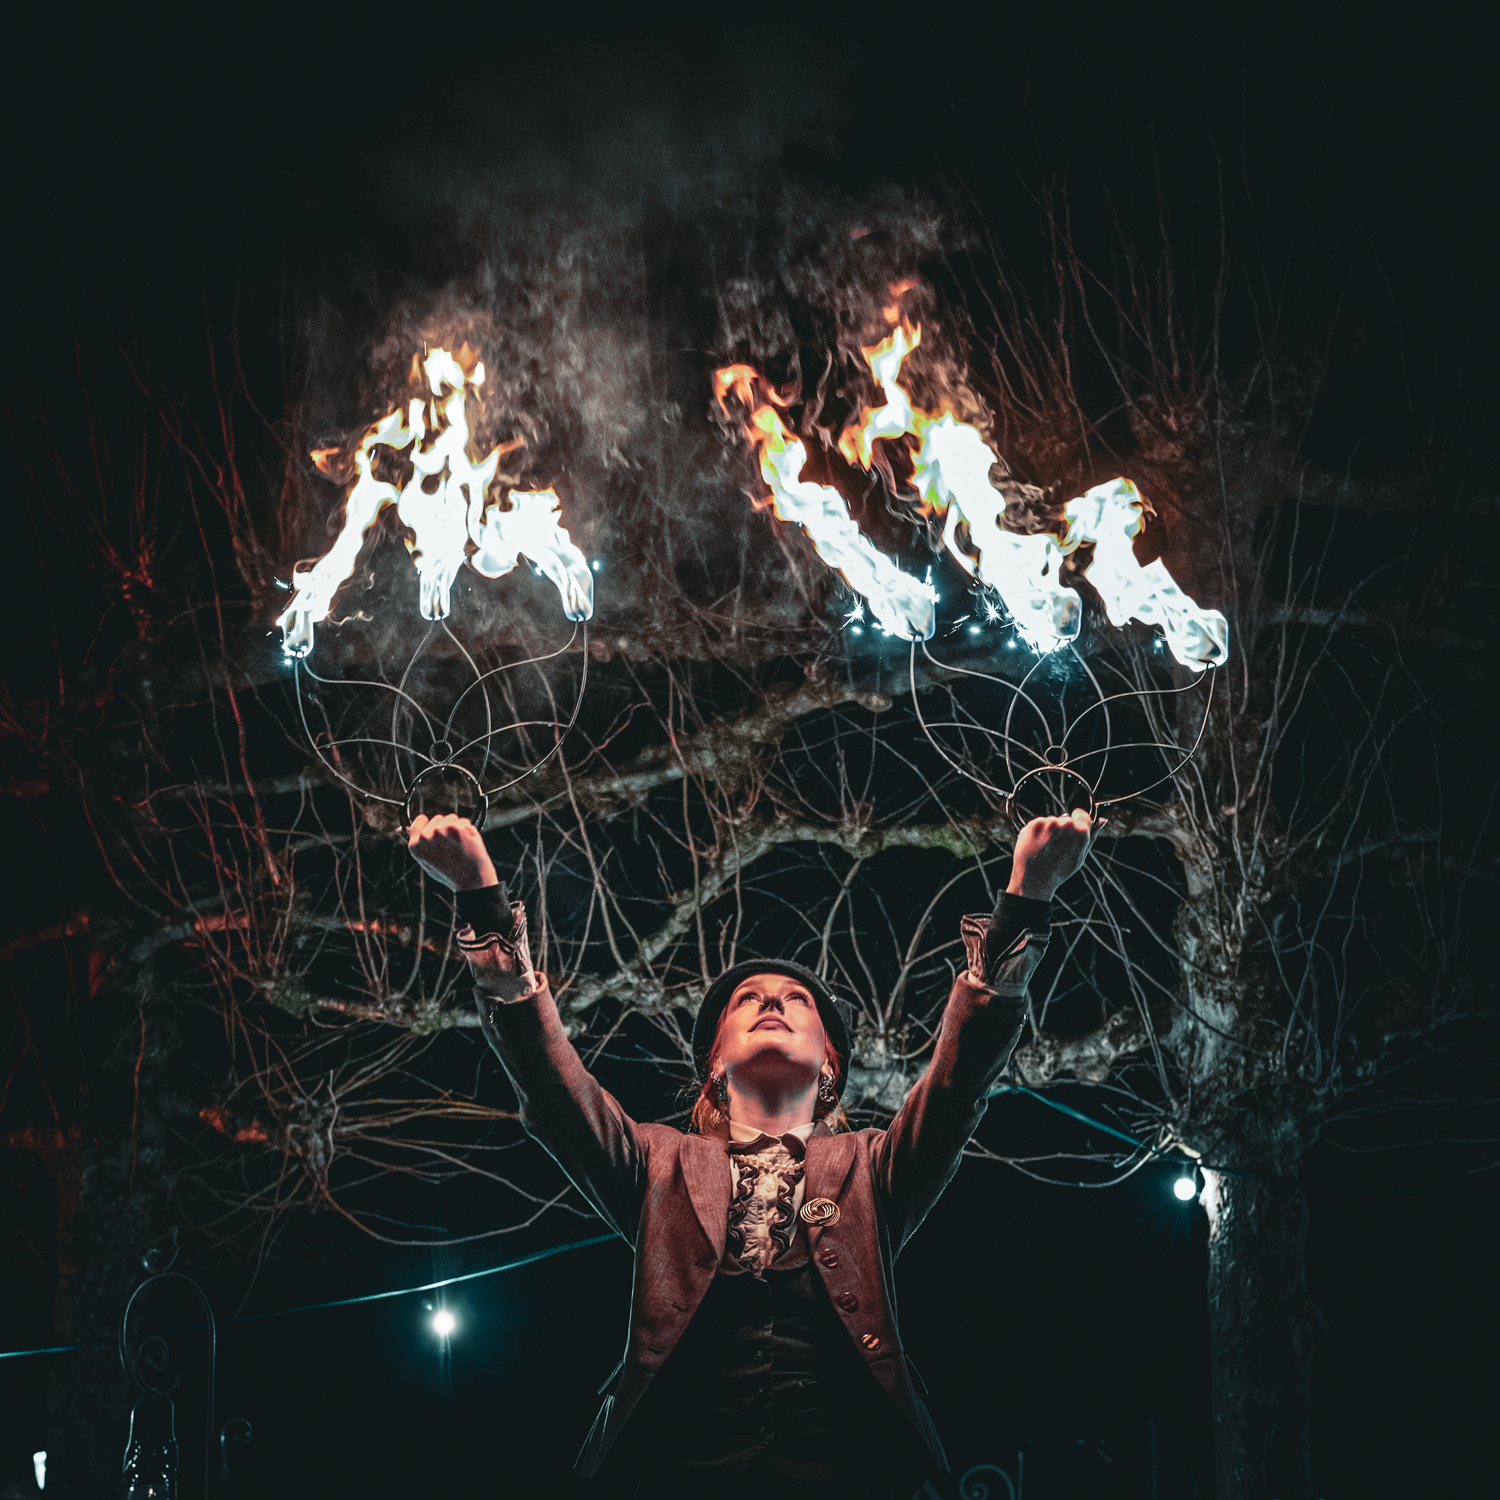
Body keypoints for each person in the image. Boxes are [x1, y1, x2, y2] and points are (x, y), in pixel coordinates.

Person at [408, 808, 1096, 1499]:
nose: (773, 1001)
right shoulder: (657, 1164)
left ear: (830, 1067)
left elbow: (957, 1086)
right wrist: (480, 894)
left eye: (798, 999)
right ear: (714, 1066)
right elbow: (553, 1087)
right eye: (749, 1000)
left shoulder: (872, 1167)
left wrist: (1024, 898)